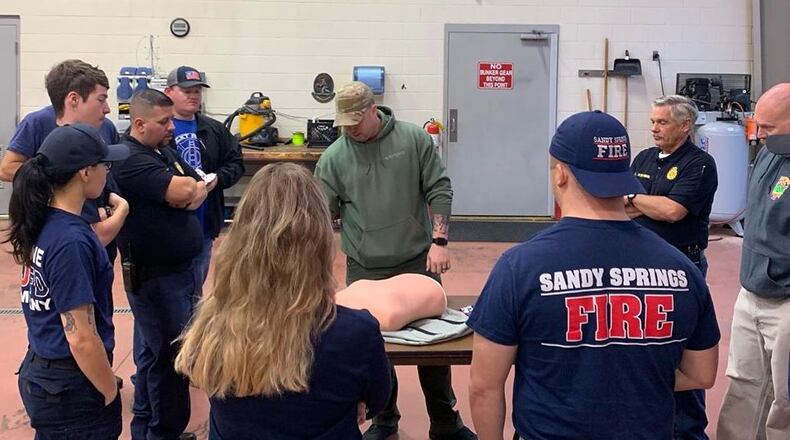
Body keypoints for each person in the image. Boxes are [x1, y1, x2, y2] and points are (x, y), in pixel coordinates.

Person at [467, 110, 720, 440]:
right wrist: (627, 379)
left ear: (560, 175)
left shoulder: (520, 267)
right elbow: (702, 374)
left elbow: (484, 386)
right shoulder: (682, 270)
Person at [175, 162, 392, 439]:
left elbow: (200, 373)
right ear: (321, 241)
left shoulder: (211, 325)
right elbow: (377, 398)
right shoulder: (355, 333)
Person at [314, 81, 476, 440]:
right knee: (372, 348)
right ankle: (384, 417)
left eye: (357, 120)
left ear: (374, 110)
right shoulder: (334, 158)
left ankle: (444, 420)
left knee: (435, 346)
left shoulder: (413, 140)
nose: (351, 129)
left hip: (417, 260)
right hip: (365, 266)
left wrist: (440, 241)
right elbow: (322, 215)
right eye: (345, 123)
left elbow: (439, 187)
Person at [6, 124, 129, 438]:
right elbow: (80, 337)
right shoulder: (71, 241)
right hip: (70, 384)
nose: (107, 172)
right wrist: (109, 391)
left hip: (45, 370)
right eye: (105, 165)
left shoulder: (46, 220)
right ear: (85, 172)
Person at [112, 88, 207, 440]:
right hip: (155, 279)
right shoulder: (130, 159)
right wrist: (187, 193)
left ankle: (151, 429)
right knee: (169, 361)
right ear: (139, 123)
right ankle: (162, 432)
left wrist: (189, 192)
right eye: (163, 121)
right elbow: (187, 192)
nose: (171, 128)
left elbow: (196, 185)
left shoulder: (161, 151)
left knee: (158, 357)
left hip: (178, 274)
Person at [627, 95, 718, 439]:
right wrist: (646, 203)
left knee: (683, 353)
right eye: (652, 121)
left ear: (684, 126)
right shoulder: (644, 158)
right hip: (638, 267)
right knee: (644, 350)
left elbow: (673, 211)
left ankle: (689, 431)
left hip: (682, 268)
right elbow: (625, 207)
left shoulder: (701, 164)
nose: (653, 128)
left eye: (662, 122)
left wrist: (638, 200)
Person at [717, 83, 790, 440]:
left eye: (768, 128)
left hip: (787, 303)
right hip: (752, 293)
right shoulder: (769, 151)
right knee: (743, 384)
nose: (757, 134)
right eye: (756, 124)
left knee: (784, 399)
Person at [0, 59, 128, 259]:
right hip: (64, 240)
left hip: (100, 234)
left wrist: (108, 205)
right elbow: (7, 169)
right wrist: (54, 175)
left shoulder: (106, 128)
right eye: (101, 99)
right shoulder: (37, 123)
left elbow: (108, 175)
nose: (107, 109)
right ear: (74, 99)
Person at [163, 65, 244, 296]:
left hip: (204, 225)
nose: (193, 95)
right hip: (168, 225)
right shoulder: (156, 128)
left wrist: (218, 179)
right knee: (169, 291)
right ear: (169, 92)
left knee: (196, 287)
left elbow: (236, 163)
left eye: (197, 91)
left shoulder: (215, 130)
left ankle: (192, 330)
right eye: (186, 90)